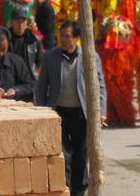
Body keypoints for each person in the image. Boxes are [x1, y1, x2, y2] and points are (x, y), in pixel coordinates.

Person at [35, 21, 107, 196]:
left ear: (76, 38)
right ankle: (64, 188)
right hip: (58, 111)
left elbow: (100, 85)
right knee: (63, 154)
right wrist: (41, 110)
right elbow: (41, 86)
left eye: (67, 36)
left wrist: (101, 112)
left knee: (81, 155)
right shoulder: (50, 57)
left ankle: (79, 191)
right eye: (61, 35)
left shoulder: (89, 56)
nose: (63, 39)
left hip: (81, 113)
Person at [8, 8, 43, 79]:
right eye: (18, 21)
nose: (20, 25)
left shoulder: (33, 40)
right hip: (10, 76)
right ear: (12, 22)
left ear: (26, 22)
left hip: (28, 77)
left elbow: (39, 60)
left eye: (23, 21)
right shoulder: (6, 38)